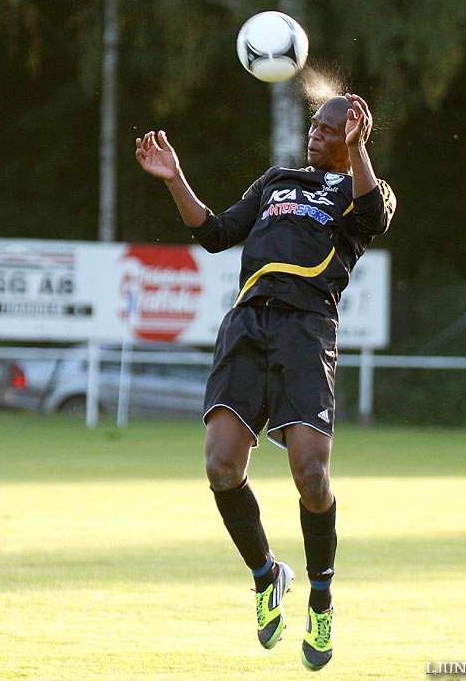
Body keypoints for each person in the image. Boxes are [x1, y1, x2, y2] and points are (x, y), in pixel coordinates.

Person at [135, 93, 396, 671]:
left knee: (311, 473)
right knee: (221, 467)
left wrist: (355, 152)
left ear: (353, 139)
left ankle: (322, 599)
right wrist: (175, 177)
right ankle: (266, 574)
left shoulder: (361, 192)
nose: (315, 136)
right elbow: (216, 232)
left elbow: (375, 215)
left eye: (329, 131)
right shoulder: (277, 180)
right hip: (248, 323)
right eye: (314, 126)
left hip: (306, 328)